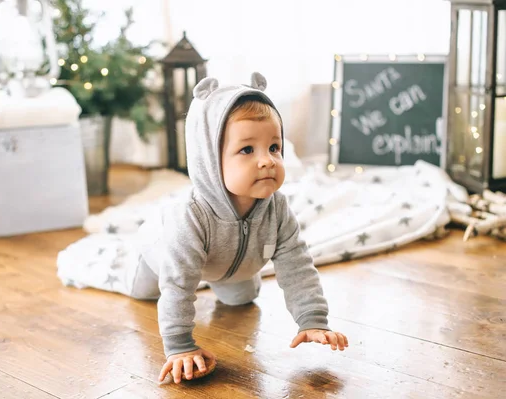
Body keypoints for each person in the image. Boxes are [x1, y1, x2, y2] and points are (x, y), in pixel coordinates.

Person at [63, 72, 348, 384]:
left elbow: (297, 265)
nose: (267, 161)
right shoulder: (191, 218)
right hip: (160, 254)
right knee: (144, 292)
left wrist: (313, 319)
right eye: (247, 150)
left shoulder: (277, 209)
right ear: (210, 161)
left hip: (230, 265)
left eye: (274, 147)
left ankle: (220, 279)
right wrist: (179, 346)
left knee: (242, 298)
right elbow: (177, 287)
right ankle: (133, 266)